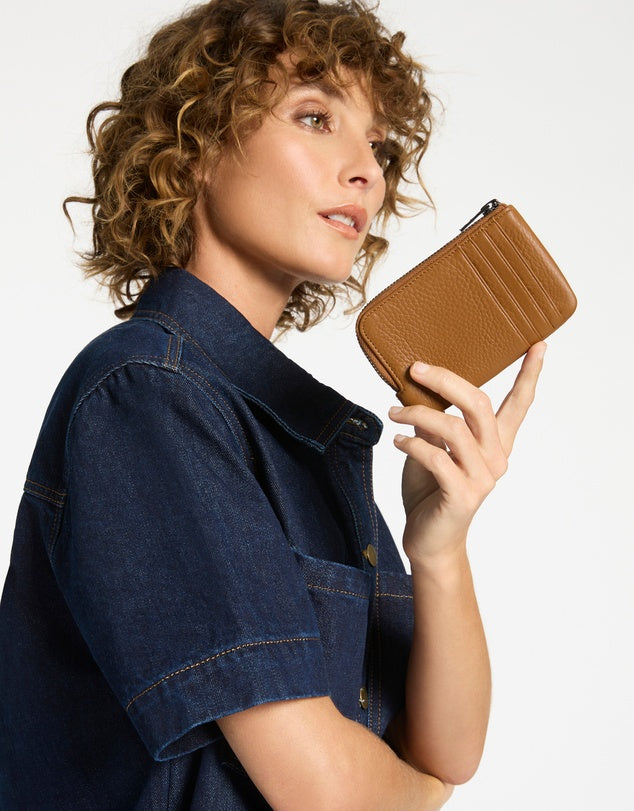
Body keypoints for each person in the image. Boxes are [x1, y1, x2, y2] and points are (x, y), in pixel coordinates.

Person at [0, 0, 546, 808]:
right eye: (316, 117)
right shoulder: (147, 393)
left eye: (378, 145)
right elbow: (329, 794)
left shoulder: (296, 434)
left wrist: (440, 547)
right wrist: (422, 792)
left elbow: (449, 750)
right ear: (194, 146)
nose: (366, 170)